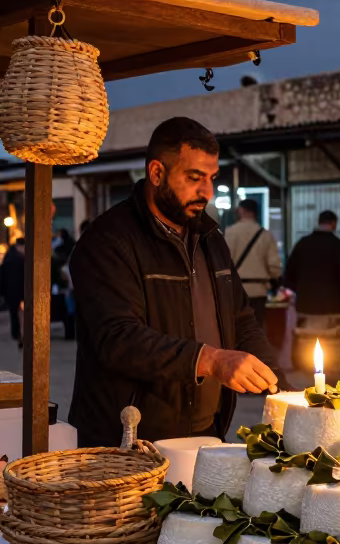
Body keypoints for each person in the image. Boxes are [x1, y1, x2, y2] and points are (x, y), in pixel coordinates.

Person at [69, 117, 280, 448]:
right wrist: (209, 359)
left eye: (211, 178)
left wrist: (282, 385)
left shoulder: (211, 238)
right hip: (125, 444)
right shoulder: (108, 241)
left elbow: (240, 319)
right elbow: (118, 338)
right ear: (156, 173)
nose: (207, 191)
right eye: (194, 177)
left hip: (206, 435)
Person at [284, 209, 340, 315]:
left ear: (319, 222)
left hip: (305, 303)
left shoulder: (302, 244)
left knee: (305, 331)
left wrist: (298, 290)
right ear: (334, 224)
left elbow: (289, 273)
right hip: (332, 304)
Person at [223, 198, 282, 327]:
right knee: (257, 330)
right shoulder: (266, 235)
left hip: (236, 290)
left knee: (237, 330)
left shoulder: (230, 232)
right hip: (259, 291)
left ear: (241, 210)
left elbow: (224, 261)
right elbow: (274, 266)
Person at [0, 238, 25, 347]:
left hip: (11, 291)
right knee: (17, 313)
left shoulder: (9, 256)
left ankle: (17, 334)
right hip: (15, 290)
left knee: (15, 313)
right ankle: (18, 334)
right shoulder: (16, 258)